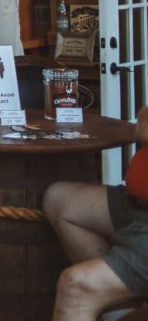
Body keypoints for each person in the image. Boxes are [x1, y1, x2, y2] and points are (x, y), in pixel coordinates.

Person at [44, 106, 148, 320]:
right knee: (59, 200)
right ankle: (121, 308)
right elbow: (143, 122)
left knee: (75, 287)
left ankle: (94, 293)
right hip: (139, 206)